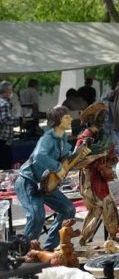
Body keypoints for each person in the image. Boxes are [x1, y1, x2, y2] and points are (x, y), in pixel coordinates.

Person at [14, 106, 78, 250]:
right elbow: (39, 156)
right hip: (28, 181)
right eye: (67, 117)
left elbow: (63, 157)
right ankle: (27, 250)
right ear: (58, 120)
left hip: (45, 182)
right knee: (37, 214)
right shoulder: (48, 138)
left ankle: (50, 247)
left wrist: (76, 157)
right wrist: (58, 167)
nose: (71, 119)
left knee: (68, 209)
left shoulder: (63, 137)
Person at [76, 102, 118, 245]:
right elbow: (78, 157)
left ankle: (107, 236)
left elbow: (112, 155)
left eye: (106, 117)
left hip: (100, 176)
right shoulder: (87, 134)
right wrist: (91, 152)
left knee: (101, 206)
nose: (104, 120)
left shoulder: (105, 136)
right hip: (90, 177)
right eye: (101, 117)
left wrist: (109, 163)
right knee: (103, 204)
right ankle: (108, 236)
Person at [0, 81, 15, 170]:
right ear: (6, 91)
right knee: (5, 164)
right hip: (4, 138)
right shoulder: (4, 103)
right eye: (10, 90)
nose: (11, 92)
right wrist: (18, 120)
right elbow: (4, 120)